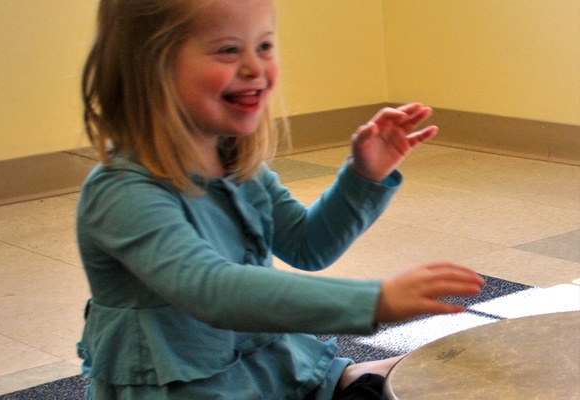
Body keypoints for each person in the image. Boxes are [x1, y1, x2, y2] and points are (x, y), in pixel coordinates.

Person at [76, 1, 485, 399]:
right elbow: (210, 289)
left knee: (447, 375)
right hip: (189, 389)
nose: (255, 67)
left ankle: (353, 377)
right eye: (229, 50)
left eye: (265, 46)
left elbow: (308, 245)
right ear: (150, 67)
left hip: (274, 374)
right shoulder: (122, 193)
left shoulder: (237, 163)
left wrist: (362, 178)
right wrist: (372, 301)